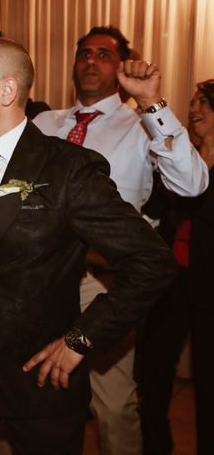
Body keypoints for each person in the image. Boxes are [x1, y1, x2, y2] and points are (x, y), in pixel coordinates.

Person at [0, 36, 176, 454]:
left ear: (6, 90)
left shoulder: (68, 169)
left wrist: (81, 338)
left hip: (41, 377)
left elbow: (152, 262)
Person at [32, 26, 209, 454]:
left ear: (120, 68)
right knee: (28, 397)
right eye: (84, 53)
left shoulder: (143, 125)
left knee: (112, 408)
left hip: (102, 283)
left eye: (104, 55)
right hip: (36, 279)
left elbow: (191, 184)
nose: (91, 60)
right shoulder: (42, 123)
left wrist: (150, 101)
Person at [139, 79, 214, 455]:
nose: (194, 109)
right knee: (150, 373)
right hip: (169, 285)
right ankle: (156, 448)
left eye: (204, 103)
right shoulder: (178, 159)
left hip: (210, 289)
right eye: (192, 102)